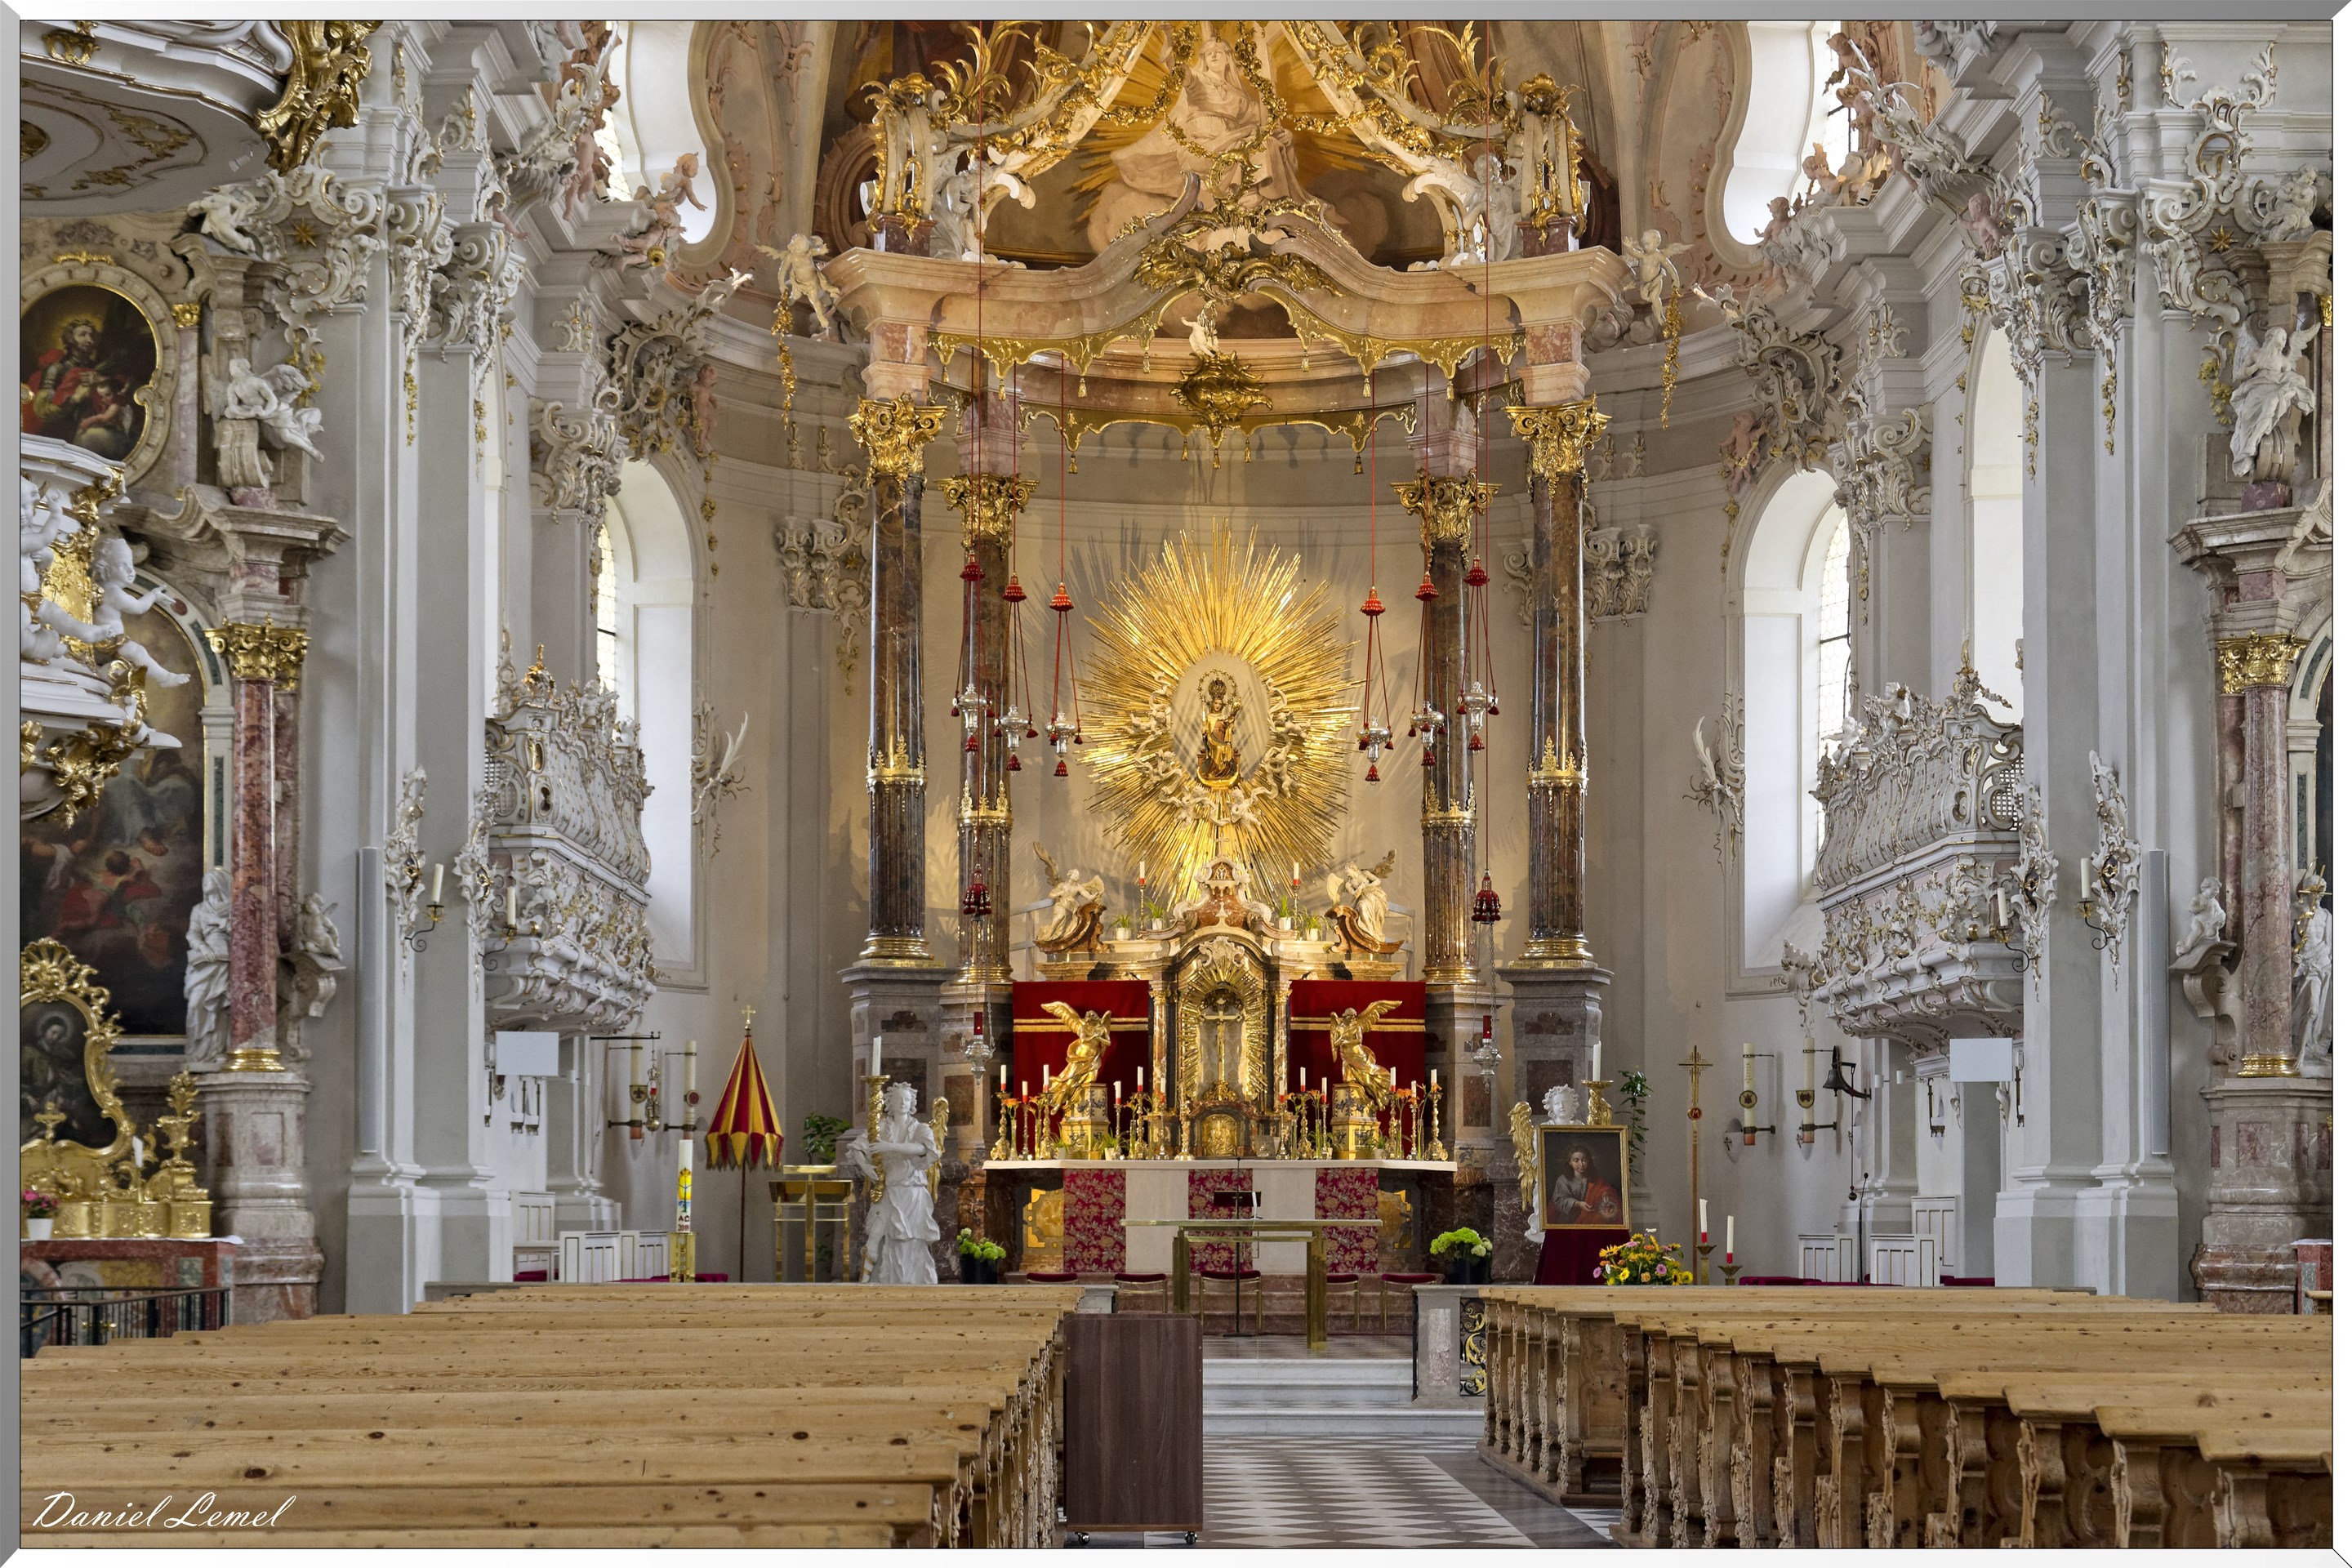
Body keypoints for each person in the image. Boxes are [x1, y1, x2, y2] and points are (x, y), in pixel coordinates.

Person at [839, 1082, 943, 1285]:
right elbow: (857, 1147)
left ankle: (911, 1280)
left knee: (912, 1239)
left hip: (913, 1193)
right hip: (889, 1190)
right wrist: (865, 1167)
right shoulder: (880, 1127)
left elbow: (925, 1150)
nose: (903, 1103)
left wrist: (890, 1147)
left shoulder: (920, 1128)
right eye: (899, 1099)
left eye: (907, 1099)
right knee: (877, 1235)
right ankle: (866, 1283)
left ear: (912, 1103)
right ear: (890, 1104)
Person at [1549, 1145, 1623, 1227]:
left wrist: (1607, 1202)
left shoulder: (1595, 1179)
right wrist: (1578, 1204)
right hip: (1569, 1221)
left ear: (1588, 1161)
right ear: (1570, 1162)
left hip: (1591, 1219)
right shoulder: (1563, 1180)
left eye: (1584, 1160)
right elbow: (1559, 1200)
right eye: (1576, 1161)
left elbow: (1606, 1193)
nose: (1581, 1164)